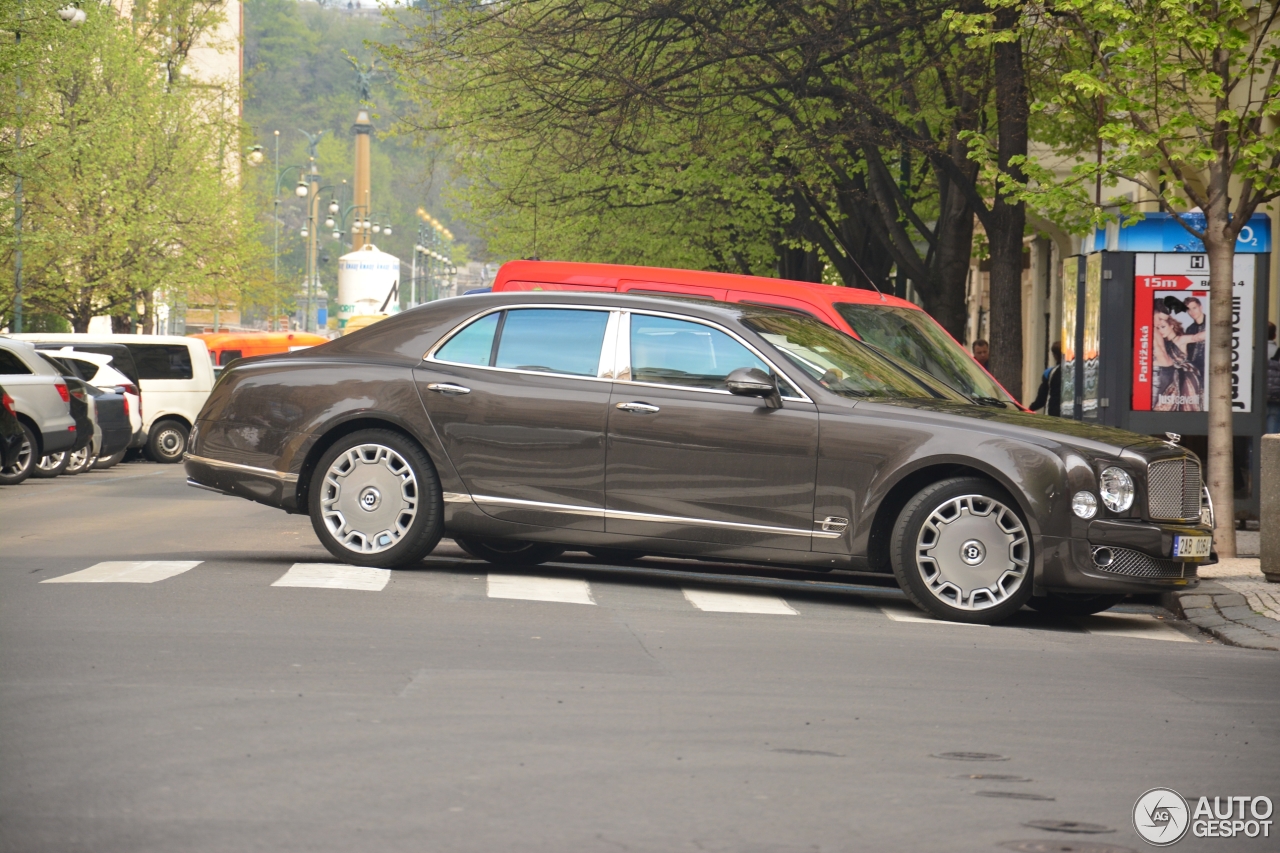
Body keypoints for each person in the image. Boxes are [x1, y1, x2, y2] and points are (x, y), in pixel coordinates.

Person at [1152, 304, 1203, 411]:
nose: (1160, 330)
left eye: (1163, 327)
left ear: (1171, 326)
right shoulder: (1162, 343)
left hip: (1184, 378)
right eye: (1158, 328)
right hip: (1169, 378)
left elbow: (1196, 337)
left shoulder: (1180, 340)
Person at [1029, 341, 1062, 417]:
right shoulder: (1076, 372)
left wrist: (1030, 409)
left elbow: (1041, 398)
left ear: (1055, 356)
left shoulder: (1050, 373)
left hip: (1053, 414)